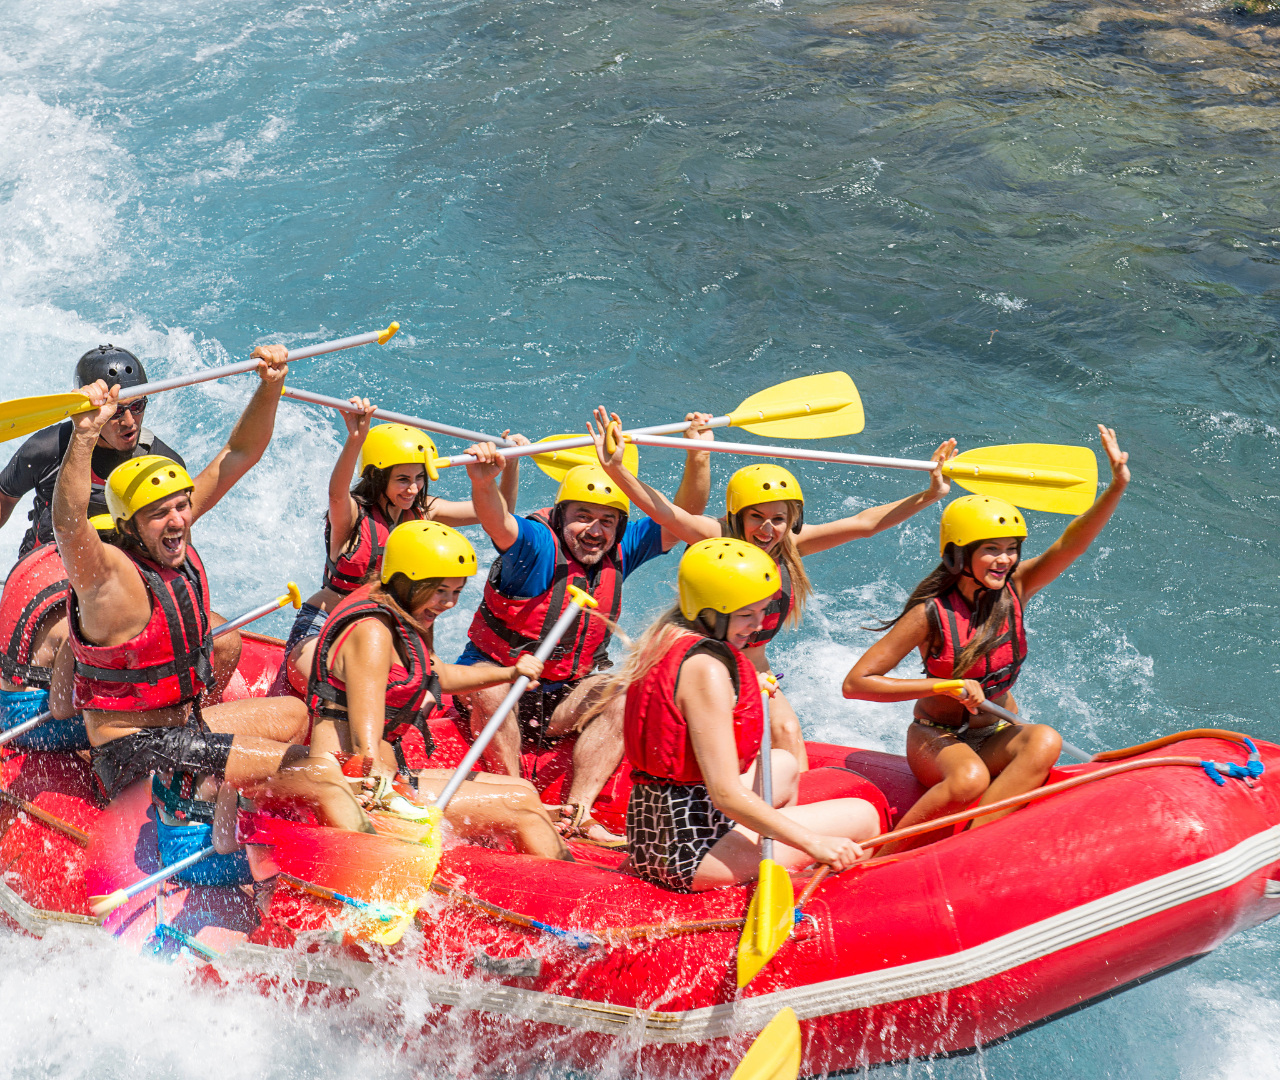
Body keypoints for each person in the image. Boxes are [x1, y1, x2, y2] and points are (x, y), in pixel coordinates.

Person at [53, 350, 360, 829]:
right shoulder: (110, 577)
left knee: (292, 715)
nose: (177, 520)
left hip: (185, 726)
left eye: (182, 507)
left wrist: (270, 384)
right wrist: (86, 431)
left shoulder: (173, 535)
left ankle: (234, 789)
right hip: (136, 754)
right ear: (129, 526)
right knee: (314, 771)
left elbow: (239, 455)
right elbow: (69, 522)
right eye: (159, 513)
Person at [588, 406, 955, 770]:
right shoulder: (715, 534)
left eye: (778, 519)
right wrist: (615, 468)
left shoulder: (790, 545)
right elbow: (665, 512)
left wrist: (930, 494)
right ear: (737, 517)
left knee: (788, 735)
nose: (767, 530)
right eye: (757, 517)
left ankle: (781, 822)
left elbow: (864, 524)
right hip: (701, 665)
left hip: (753, 668)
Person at [841, 425, 1130, 853]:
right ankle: (883, 858)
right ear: (959, 555)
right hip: (937, 738)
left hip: (994, 731)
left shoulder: (1018, 587)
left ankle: (973, 848)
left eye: (1011, 548)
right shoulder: (929, 615)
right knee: (969, 778)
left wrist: (1116, 487)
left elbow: (1072, 545)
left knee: (1044, 739)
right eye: (992, 549)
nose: (1005, 559)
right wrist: (942, 685)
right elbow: (857, 683)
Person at [457, 417, 714, 846]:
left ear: (619, 528)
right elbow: (498, 522)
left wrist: (698, 455)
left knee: (629, 688)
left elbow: (680, 516)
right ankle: (518, 804)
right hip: (497, 683)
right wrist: (484, 483)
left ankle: (578, 813)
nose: (594, 531)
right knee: (491, 690)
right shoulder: (536, 546)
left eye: (607, 522)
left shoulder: (620, 549)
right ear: (560, 517)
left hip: (562, 697)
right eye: (583, 517)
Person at [619, 538, 878, 891]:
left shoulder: (668, 637)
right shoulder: (706, 669)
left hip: (657, 829)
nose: (757, 625)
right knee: (863, 816)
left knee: (784, 765)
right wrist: (813, 842)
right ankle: (816, 896)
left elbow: (682, 715)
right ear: (708, 611)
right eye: (745, 615)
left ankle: (773, 862)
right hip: (689, 851)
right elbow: (725, 794)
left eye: (761, 611)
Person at [305, 518, 571, 858]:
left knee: (522, 789)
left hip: (386, 777)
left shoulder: (402, 610)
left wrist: (509, 673)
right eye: (440, 590)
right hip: (352, 785)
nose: (449, 603)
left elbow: (437, 675)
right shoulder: (372, 632)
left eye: (457, 591)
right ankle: (563, 897)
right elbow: (365, 749)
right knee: (519, 804)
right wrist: (389, 812)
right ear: (406, 582)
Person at [282, 406, 528, 693]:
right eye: (402, 479)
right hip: (324, 629)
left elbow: (501, 514)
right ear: (378, 477)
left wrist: (511, 466)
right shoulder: (352, 516)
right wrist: (355, 439)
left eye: (419, 478)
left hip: (386, 633)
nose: (412, 489)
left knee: (419, 699)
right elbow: (336, 493)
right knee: (335, 687)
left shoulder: (425, 511)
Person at [0, 346, 185, 560]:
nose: (129, 421)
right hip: (49, 563)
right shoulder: (44, 450)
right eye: (115, 410)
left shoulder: (164, 465)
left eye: (137, 406)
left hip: (121, 571)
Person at [0, 515, 116, 748]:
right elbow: (62, 708)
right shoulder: (84, 614)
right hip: (27, 718)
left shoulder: (50, 559)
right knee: (139, 722)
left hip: (8, 698)